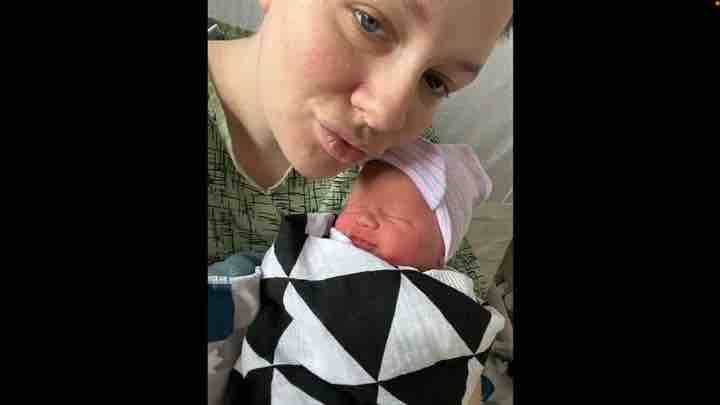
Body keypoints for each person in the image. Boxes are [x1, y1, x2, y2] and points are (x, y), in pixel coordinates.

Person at [207, 0, 513, 402]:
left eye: (435, 81)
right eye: (369, 22)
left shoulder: (409, 165)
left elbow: (450, 350)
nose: (388, 116)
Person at [210, 139, 505, 404]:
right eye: (353, 207)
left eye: (393, 217)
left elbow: (454, 363)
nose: (363, 219)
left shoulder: (450, 305)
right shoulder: (310, 250)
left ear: (440, 257)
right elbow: (259, 280)